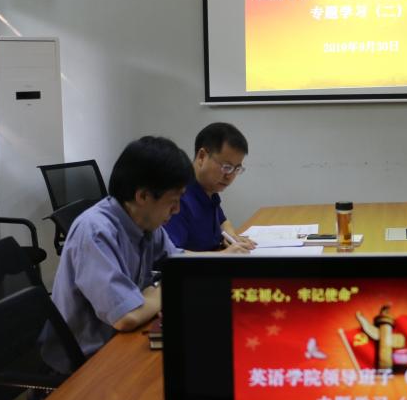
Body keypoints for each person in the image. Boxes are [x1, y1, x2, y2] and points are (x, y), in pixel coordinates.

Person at [41, 136, 193, 373]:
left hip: (121, 341)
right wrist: (165, 289)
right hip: (84, 362)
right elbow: (126, 317)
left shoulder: (144, 220)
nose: (177, 209)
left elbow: (178, 261)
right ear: (143, 196)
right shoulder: (95, 231)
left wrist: (228, 260)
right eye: (173, 201)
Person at [163, 122, 254, 253]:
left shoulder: (209, 190)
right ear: (202, 156)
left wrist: (231, 236)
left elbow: (223, 221)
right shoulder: (178, 196)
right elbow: (172, 254)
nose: (230, 176)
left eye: (236, 169)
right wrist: (222, 255)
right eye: (227, 167)